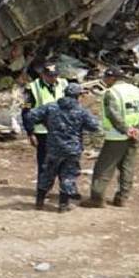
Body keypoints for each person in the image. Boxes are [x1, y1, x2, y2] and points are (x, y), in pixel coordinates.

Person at [23, 83, 100, 212]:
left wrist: (44, 123)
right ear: (78, 96)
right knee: (68, 176)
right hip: (72, 149)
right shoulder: (81, 111)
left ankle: (39, 202)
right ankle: (63, 205)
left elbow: (30, 116)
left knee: (47, 174)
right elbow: (94, 126)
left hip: (53, 147)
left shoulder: (51, 107)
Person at [86, 67, 139, 208]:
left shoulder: (111, 93)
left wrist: (126, 130)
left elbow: (113, 115)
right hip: (134, 136)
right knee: (127, 167)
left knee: (103, 167)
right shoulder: (137, 91)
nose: (104, 81)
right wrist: (137, 129)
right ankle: (122, 197)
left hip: (116, 136)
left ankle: (97, 198)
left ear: (112, 78)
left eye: (106, 78)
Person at [21, 62, 67, 191]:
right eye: (50, 76)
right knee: (45, 162)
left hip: (61, 130)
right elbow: (26, 112)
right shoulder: (33, 88)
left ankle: (64, 191)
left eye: (55, 75)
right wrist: (30, 132)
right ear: (43, 75)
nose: (53, 79)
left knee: (64, 162)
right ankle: (43, 190)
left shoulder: (64, 84)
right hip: (42, 131)